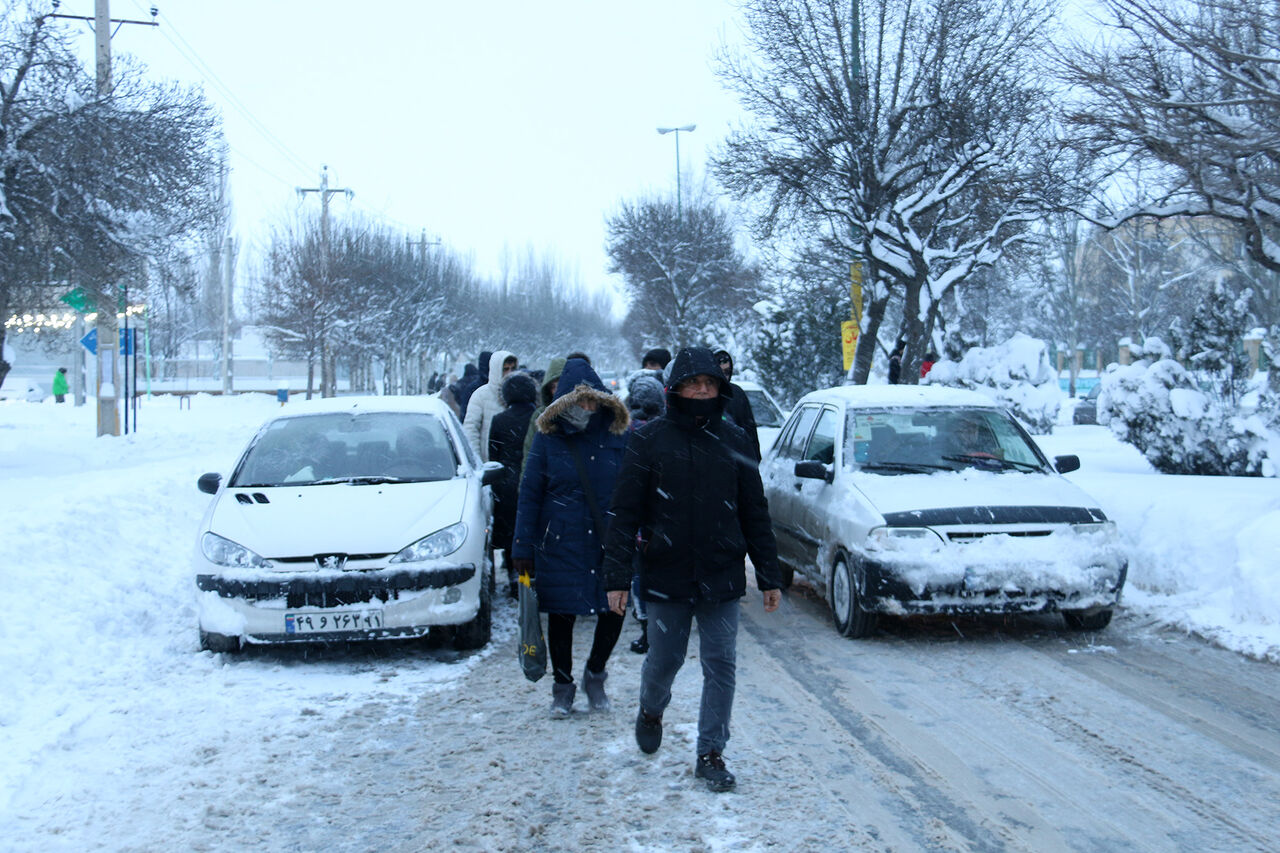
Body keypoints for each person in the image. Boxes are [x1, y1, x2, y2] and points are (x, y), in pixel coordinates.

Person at [603, 346, 783, 793]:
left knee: (721, 663)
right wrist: (616, 578)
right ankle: (650, 709)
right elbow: (624, 513)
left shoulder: (734, 439)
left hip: (722, 571)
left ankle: (711, 752)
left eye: (710, 383)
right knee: (665, 660)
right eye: (693, 383)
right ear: (675, 388)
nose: (702, 390)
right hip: (666, 571)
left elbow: (754, 511)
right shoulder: (649, 439)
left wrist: (768, 573)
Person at [511, 358, 631, 717]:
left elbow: (636, 488)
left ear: (604, 401)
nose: (587, 408)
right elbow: (530, 492)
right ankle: (562, 687)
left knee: (614, 609)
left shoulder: (619, 435)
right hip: (560, 541)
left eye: (593, 401)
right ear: (563, 402)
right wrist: (522, 546)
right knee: (561, 616)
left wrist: (642, 532)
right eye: (579, 401)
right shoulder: (548, 440)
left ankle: (595, 674)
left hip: (608, 540)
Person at [621, 370, 667, 655]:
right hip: (665, 512)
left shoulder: (625, 432)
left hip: (637, 515)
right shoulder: (668, 430)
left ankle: (646, 626)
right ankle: (664, 625)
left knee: (639, 573)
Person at [488, 370, 538, 598]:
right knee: (534, 531)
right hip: (534, 480)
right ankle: (534, 577)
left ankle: (518, 580)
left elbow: (493, 454)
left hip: (506, 484)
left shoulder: (499, 420)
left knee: (512, 536)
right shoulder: (540, 417)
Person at [463, 350, 517, 461]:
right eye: (505, 369)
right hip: (488, 463)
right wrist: (477, 462)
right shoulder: (481, 395)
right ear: (496, 370)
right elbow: (471, 431)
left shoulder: (520, 394)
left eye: (513, 369)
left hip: (513, 462)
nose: (509, 373)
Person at [712, 349, 761, 462]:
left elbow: (750, 433)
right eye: (720, 372)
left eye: (727, 372)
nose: (724, 377)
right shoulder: (702, 395)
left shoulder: (736, 394)